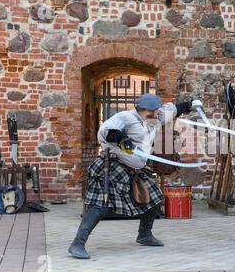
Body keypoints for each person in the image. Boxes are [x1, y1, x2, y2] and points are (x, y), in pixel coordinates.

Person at [68, 94, 201, 259]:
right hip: (114, 167)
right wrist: (122, 139)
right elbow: (107, 131)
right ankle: (78, 243)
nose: (158, 112)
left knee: (154, 199)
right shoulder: (125, 117)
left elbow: (173, 109)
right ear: (145, 110)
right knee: (99, 206)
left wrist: (190, 104)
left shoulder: (155, 118)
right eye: (154, 110)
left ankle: (144, 235)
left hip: (136, 169)